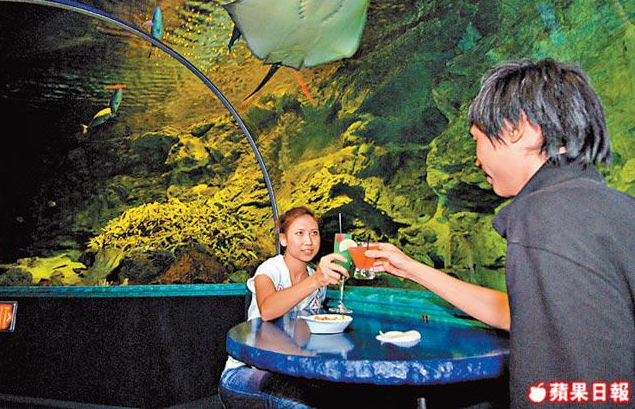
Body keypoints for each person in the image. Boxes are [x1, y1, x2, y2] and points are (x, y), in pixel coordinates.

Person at [367, 58, 635, 408]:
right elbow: (527, 315)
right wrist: (411, 269)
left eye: (477, 140)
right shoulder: (612, 207)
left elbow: (577, 380)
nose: (477, 159)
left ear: (519, 128)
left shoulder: (543, 215)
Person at [219, 206, 348, 408]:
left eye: (314, 233)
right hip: (245, 373)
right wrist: (315, 280)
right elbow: (268, 310)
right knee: (297, 401)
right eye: (300, 233)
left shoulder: (317, 281)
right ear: (283, 239)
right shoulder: (270, 270)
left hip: (290, 373)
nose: (308, 241)